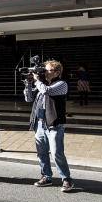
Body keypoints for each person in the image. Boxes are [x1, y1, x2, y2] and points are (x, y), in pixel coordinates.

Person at [25, 60, 74, 192]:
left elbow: (47, 91)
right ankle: (46, 176)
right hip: (39, 123)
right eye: (44, 70)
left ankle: (66, 179)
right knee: (41, 153)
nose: (45, 73)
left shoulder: (62, 84)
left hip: (54, 124)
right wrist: (28, 84)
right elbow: (29, 98)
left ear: (57, 72)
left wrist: (37, 80)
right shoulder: (42, 83)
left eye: (48, 70)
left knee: (56, 152)